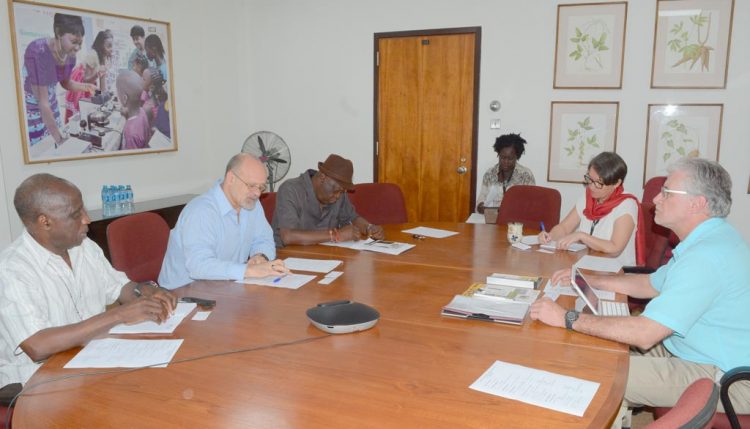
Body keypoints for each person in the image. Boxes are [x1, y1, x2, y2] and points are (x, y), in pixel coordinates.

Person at [530, 158, 750, 428]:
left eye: (667, 192)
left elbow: (644, 335)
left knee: (589, 372)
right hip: (690, 350)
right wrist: (590, 279)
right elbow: (648, 285)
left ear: (697, 203)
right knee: (593, 351)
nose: (656, 198)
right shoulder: (709, 240)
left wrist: (567, 317)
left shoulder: (707, 256)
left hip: (725, 375)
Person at [0, 174, 177, 387]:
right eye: (76, 214)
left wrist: (144, 290)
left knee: (165, 381)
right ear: (44, 221)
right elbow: (37, 346)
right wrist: (119, 314)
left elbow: (119, 288)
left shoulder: (83, 247)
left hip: (92, 362)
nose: (87, 219)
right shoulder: (13, 269)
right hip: (39, 382)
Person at [159, 153, 288, 289]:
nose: (257, 193)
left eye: (261, 187)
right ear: (231, 178)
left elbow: (264, 238)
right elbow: (199, 266)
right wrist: (248, 271)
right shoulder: (201, 211)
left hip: (224, 286)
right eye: (251, 185)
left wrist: (260, 257)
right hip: (183, 295)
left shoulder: (251, 204)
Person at [538, 151, 644, 266]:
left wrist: (581, 236)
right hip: (587, 265)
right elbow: (564, 227)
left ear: (616, 183)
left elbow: (615, 248)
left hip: (616, 272)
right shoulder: (588, 197)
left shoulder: (627, 205)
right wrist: (550, 237)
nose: (591, 186)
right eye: (590, 179)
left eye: (599, 183)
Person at [272, 154, 385, 247]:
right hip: (288, 258)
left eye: (341, 192)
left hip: (325, 257)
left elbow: (353, 218)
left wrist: (369, 227)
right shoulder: (291, 190)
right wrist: (336, 235)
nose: (337, 196)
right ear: (322, 177)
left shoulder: (339, 194)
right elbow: (288, 236)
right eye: (336, 190)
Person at [22, 13, 96, 146]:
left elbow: (65, 83)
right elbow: (42, 102)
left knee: (55, 143)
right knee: (41, 147)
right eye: (74, 42)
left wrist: (85, 87)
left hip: (51, 106)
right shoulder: (38, 51)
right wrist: (60, 140)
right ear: (58, 32)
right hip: (33, 109)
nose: (78, 48)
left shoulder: (70, 56)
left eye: (80, 43)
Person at [476, 133, 535, 213]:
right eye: (502, 157)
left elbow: (531, 203)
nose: (506, 162)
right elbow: (481, 199)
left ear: (517, 157)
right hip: (492, 217)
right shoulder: (490, 174)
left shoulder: (526, 175)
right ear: (498, 155)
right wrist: (482, 207)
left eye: (510, 158)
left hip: (516, 218)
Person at [64, 29, 114, 123]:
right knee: (81, 111)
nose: (111, 49)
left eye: (112, 46)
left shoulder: (104, 57)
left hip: (91, 81)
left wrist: (104, 98)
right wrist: (97, 74)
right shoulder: (93, 55)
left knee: (93, 104)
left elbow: (102, 83)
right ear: (101, 46)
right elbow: (85, 80)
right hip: (80, 80)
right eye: (108, 46)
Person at [116, 70, 152, 150]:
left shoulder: (130, 132)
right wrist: (126, 115)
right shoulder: (142, 111)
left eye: (117, 92)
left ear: (124, 99)